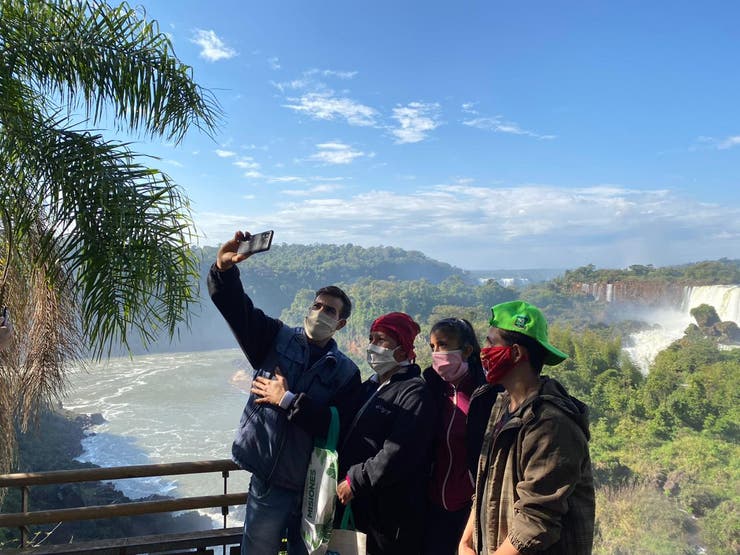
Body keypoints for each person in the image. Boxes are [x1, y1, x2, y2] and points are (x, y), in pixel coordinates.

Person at [208, 230, 361, 555]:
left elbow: (336, 427)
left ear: (341, 323)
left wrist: (287, 400)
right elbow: (238, 310)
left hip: (314, 488)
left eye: (330, 311)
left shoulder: (347, 373)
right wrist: (224, 268)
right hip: (270, 481)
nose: (320, 312)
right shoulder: (275, 339)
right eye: (317, 305)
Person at [459, 300, 595, 555]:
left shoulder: (551, 424)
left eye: (491, 343)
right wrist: (466, 541)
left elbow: (537, 521)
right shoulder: (502, 404)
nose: (483, 351)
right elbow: (485, 486)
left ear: (517, 353)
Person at [336, 311, 436, 555]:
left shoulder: (414, 393)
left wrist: (354, 480)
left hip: (391, 516)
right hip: (361, 506)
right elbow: (337, 419)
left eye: (381, 340)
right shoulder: (370, 386)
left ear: (402, 349)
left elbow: (398, 453)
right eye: (372, 339)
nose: (373, 346)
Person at [421, 317, 499, 555]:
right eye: (433, 347)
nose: (437, 353)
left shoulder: (487, 392)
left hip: (471, 504)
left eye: (443, 345)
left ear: (466, 350)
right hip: (433, 502)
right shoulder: (432, 387)